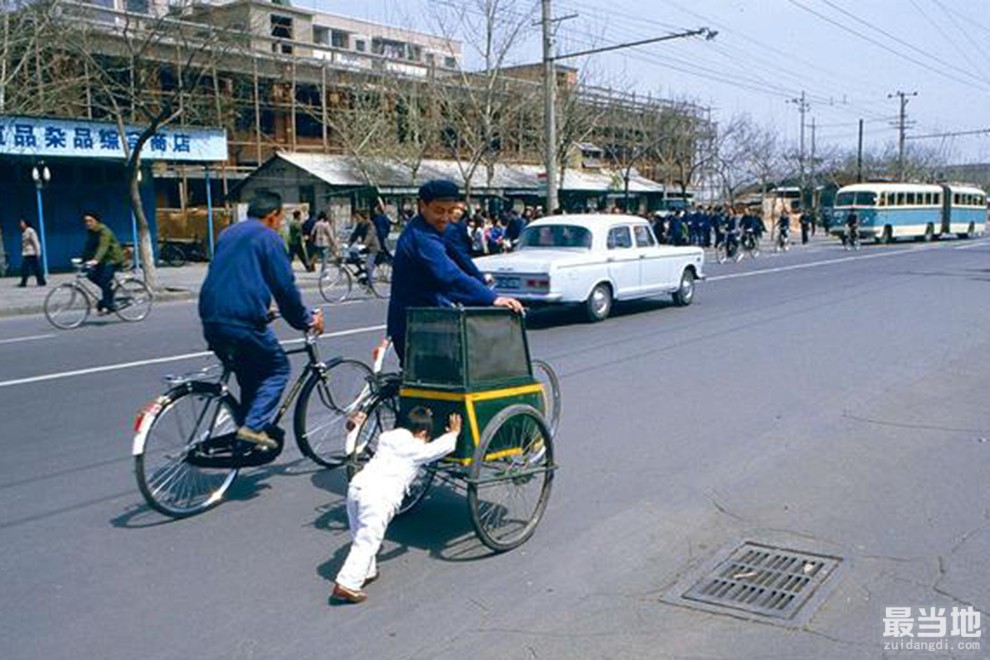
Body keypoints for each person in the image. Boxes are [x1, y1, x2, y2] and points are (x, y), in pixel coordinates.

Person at [198, 192, 324, 450]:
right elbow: (285, 289)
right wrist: (305, 320)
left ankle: (247, 439)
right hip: (242, 321)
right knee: (277, 369)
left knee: (251, 377)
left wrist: (261, 308)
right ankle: (252, 428)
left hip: (211, 317)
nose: (280, 223)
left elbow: (232, 276)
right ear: (272, 216)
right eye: (280, 218)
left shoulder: (228, 234)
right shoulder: (268, 237)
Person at [331, 408, 462, 604]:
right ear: (423, 433)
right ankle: (347, 584)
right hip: (379, 496)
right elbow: (439, 449)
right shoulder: (415, 449)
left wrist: (354, 430)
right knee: (368, 541)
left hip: (357, 487)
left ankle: (367, 570)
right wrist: (453, 433)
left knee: (360, 533)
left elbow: (353, 451)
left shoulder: (386, 439)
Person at [387, 179, 523, 365]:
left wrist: (481, 284)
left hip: (432, 317)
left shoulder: (438, 229)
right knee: (444, 375)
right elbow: (448, 275)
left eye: (450, 211)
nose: (444, 217)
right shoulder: (421, 238)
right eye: (438, 211)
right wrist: (492, 299)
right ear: (422, 206)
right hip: (417, 324)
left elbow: (462, 260)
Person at [80, 212, 125, 313]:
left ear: (97, 221)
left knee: (104, 280)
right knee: (90, 275)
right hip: (102, 260)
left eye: (90, 221)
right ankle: (108, 295)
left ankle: (108, 303)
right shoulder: (91, 232)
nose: (88, 223)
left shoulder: (104, 231)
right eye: (86, 221)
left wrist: (95, 260)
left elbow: (103, 247)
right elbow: (89, 247)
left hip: (112, 259)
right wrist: (83, 260)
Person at [347, 213, 381, 283]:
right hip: (365, 247)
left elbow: (370, 235)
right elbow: (355, 234)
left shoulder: (370, 225)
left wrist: (364, 244)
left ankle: (370, 282)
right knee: (352, 253)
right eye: (355, 218)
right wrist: (349, 243)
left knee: (368, 265)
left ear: (363, 217)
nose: (356, 220)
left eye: (357, 218)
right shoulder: (359, 225)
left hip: (373, 248)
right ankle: (360, 269)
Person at [18, 219, 46, 287]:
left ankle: (23, 282)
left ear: (26, 223)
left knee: (25, 268)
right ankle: (41, 281)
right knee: (35, 268)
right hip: (27, 253)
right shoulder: (25, 232)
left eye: (22, 223)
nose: (20, 224)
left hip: (31, 253)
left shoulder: (30, 231)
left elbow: (35, 242)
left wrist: (38, 252)